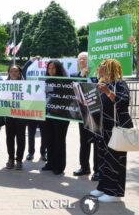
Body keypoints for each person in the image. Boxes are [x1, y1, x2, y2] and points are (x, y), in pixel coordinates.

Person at [90, 59, 133, 202]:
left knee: (115, 160)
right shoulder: (104, 84)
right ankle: (103, 187)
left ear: (110, 69)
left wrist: (108, 92)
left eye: (102, 67)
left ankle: (114, 193)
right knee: (103, 159)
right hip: (103, 127)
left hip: (116, 128)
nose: (99, 70)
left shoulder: (119, 84)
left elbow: (124, 102)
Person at [71, 52, 99, 181]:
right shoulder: (75, 76)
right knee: (84, 141)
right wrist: (82, 76)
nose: (82, 61)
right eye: (80, 59)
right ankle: (84, 167)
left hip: (97, 113)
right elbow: (73, 91)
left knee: (97, 142)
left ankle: (97, 170)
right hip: (83, 114)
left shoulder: (97, 75)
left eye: (84, 59)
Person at [41, 60, 70, 175]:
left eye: (53, 68)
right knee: (49, 139)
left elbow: (68, 98)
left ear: (58, 69)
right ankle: (50, 163)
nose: (51, 71)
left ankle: (59, 166)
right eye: (49, 69)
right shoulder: (45, 81)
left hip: (61, 116)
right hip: (47, 114)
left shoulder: (65, 81)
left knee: (59, 140)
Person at [22, 56, 47, 161]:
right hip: (32, 109)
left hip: (43, 109)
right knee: (31, 133)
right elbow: (24, 70)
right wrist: (31, 61)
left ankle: (43, 153)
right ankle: (30, 152)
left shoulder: (46, 77)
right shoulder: (29, 78)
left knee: (44, 134)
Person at [5, 65, 27, 170]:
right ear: (9, 73)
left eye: (16, 71)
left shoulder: (25, 85)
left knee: (21, 139)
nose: (14, 73)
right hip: (9, 116)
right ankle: (10, 159)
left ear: (19, 73)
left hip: (21, 116)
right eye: (12, 71)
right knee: (9, 138)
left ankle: (19, 160)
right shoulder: (4, 85)